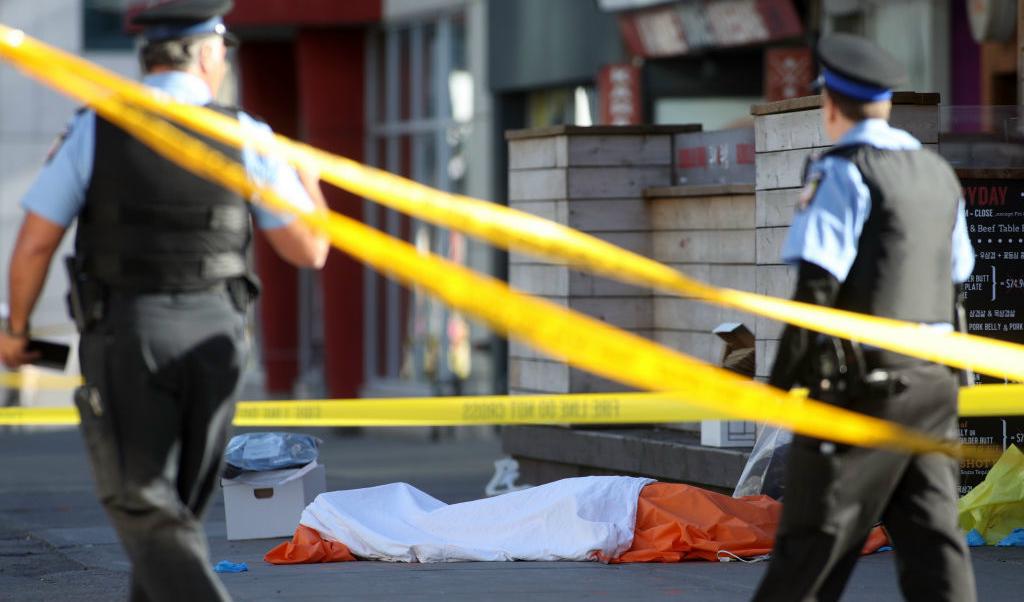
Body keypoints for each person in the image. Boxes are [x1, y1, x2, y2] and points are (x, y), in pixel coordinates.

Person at [0, 1, 329, 600]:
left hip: (129, 337)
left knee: (146, 505)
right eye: (223, 51)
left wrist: (17, 330)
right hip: (217, 341)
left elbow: (33, 246)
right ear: (206, 54)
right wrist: (309, 185)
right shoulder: (246, 134)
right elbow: (309, 250)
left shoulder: (96, 128)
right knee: (174, 515)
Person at [752, 34, 977, 601]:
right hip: (932, 387)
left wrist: (777, 389)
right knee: (934, 546)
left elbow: (816, 287)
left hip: (863, 391)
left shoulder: (843, 172)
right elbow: (958, 277)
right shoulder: (938, 174)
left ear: (830, 104)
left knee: (811, 546)